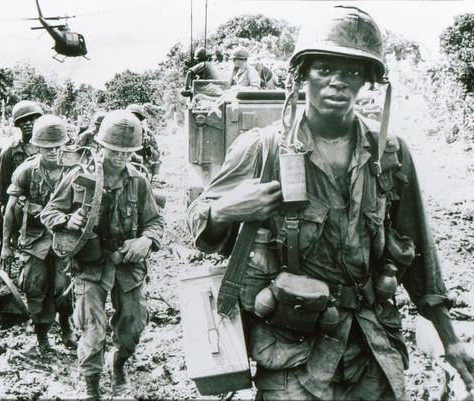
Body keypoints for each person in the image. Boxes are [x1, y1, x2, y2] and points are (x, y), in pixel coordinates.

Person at [187, 6, 474, 401]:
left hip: (371, 344)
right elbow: (197, 227)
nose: (337, 83)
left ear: (369, 82)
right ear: (302, 74)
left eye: (353, 73)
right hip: (292, 348)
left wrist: (450, 339)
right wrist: (226, 210)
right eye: (324, 69)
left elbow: (420, 253)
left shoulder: (389, 154)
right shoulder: (263, 147)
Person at [40, 110, 164, 400]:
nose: (120, 157)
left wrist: (146, 241)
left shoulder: (139, 181)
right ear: (101, 146)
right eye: (114, 150)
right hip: (90, 263)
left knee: (133, 325)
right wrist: (66, 221)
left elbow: (155, 221)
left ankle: (119, 366)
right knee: (92, 331)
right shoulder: (79, 176)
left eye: (127, 152)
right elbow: (49, 212)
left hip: (127, 263)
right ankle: (92, 386)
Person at [1, 114, 78, 355]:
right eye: (47, 147)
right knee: (35, 286)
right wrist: (6, 245)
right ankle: (42, 337)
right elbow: (10, 210)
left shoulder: (76, 170)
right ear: (37, 146)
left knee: (64, 287)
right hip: (33, 239)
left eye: (58, 146)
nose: (53, 152)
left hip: (65, 238)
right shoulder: (26, 171)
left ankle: (67, 329)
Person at [0, 100, 43, 217]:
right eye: (23, 120)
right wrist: (2, 208)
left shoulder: (48, 149)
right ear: (17, 124)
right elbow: (3, 183)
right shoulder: (9, 152)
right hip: (19, 205)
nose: (28, 123)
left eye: (32, 119)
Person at [125, 104, 161, 176]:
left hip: (142, 169)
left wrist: (147, 147)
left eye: (137, 118)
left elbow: (156, 156)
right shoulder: (122, 132)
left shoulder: (147, 134)